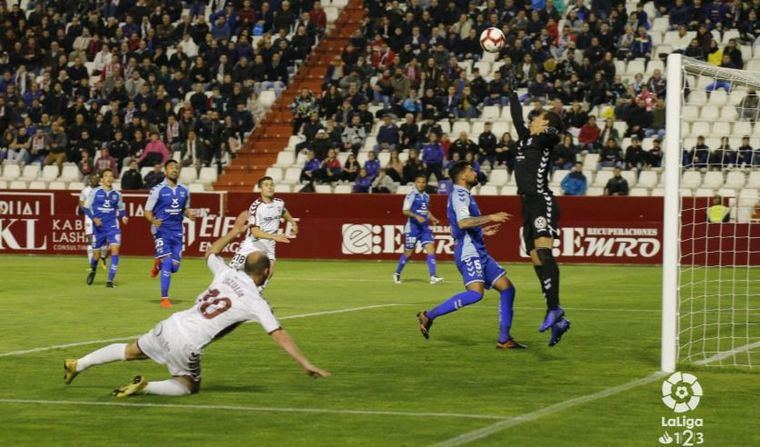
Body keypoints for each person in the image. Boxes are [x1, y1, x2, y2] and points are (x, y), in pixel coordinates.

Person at [63, 220, 330, 397]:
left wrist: (235, 231)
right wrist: (306, 363)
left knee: (129, 350)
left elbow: (210, 253)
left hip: (171, 324)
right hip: (188, 341)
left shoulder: (226, 273)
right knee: (189, 384)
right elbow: (279, 334)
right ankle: (145, 387)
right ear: (265, 273)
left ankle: (79, 363)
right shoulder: (255, 301)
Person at [416, 162, 524, 349]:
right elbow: (464, 222)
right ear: (463, 176)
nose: (475, 173)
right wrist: (491, 217)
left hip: (478, 249)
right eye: (471, 170)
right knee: (475, 294)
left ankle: (504, 339)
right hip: (469, 252)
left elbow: (464, 225)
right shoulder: (459, 194)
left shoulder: (464, 195)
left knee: (507, 288)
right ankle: (428, 316)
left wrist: (483, 231)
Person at [508, 89, 571, 347]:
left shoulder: (546, 139)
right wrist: (511, 93)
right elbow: (516, 118)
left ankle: (554, 308)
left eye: (539, 116)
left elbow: (557, 131)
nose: (534, 117)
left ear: (545, 123)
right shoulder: (525, 139)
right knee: (535, 257)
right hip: (526, 204)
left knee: (544, 253)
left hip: (541, 200)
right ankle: (557, 319)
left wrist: (552, 121)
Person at [145, 160, 198, 309]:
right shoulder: (157, 190)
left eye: (176, 168)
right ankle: (164, 298)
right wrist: (154, 220)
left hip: (177, 231)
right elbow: (147, 211)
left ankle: (158, 262)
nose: (174, 170)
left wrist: (189, 214)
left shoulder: (184, 190)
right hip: (161, 230)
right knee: (168, 262)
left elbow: (184, 209)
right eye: (171, 167)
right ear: (165, 171)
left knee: (174, 267)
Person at [231, 176, 299, 292]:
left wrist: (293, 223)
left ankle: (255, 295)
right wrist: (275, 236)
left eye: (271, 184)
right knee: (232, 271)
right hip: (253, 244)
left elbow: (283, 211)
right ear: (260, 189)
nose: (270, 187)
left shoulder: (279, 203)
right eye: (266, 185)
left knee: (269, 271)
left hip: (269, 246)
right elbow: (255, 232)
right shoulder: (256, 207)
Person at [393, 175, 444, 285]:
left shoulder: (426, 196)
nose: (421, 184)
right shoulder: (411, 195)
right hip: (412, 228)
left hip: (424, 228)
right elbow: (405, 211)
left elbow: (426, 211)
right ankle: (397, 273)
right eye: (419, 182)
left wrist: (433, 219)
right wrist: (416, 216)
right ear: (415, 183)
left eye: (423, 182)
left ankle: (433, 276)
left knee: (431, 249)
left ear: (425, 184)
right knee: (408, 253)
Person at [84, 169, 127, 288]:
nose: (109, 178)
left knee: (115, 250)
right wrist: (94, 219)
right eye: (106, 176)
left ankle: (110, 280)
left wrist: (124, 217)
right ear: (102, 179)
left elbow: (121, 208)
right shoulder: (95, 192)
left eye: (111, 175)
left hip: (112, 226)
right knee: (96, 255)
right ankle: (93, 269)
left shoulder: (117, 194)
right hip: (98, 228)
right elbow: (86, 208)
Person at [79, 173, 108, 269]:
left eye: (96, 178)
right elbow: (81, 204)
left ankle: (103, 257)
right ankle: (92, 265)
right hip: (89, 217)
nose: (94, 180)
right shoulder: (85, 190)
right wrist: (88, 211)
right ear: (90, 179)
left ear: (99, 180)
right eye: (92, 178)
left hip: (100, 217)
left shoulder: (103, 189)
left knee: (103, 240)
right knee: (90, 240)